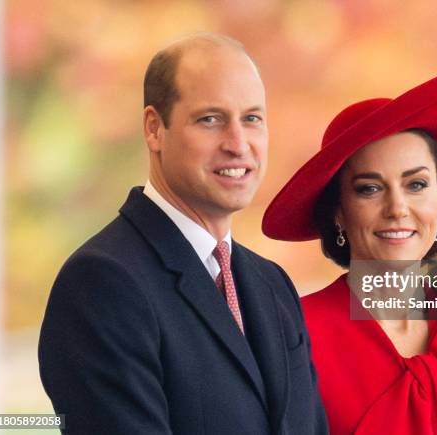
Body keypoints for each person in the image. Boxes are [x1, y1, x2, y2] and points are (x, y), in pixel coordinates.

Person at [38, 33, 328, 435]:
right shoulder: (102, 283)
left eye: (252, 118)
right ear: (154, 128)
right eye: (210, 119)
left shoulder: (272, 284)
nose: (238, 143)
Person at [262, 66, 437, 434]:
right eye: (369, 189)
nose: (397, 208)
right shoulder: (292, 335)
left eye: (416, 184)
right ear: (338, 210)